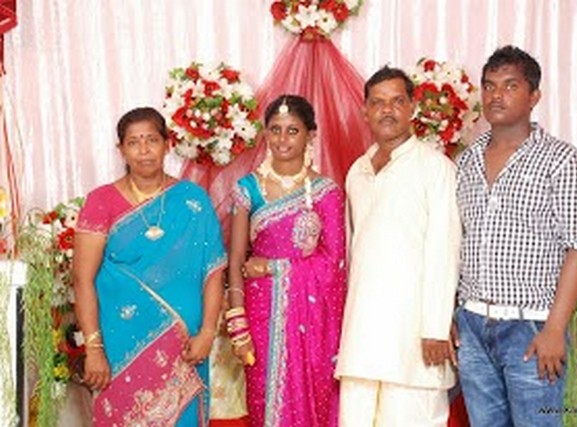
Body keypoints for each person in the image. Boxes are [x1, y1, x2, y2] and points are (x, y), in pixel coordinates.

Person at [454, 46, 577, 426]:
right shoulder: (465, 161)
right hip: (472, 326)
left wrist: (555, 329)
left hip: (531, 328)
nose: (496, 95)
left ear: (534, 96)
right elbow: (456, 241)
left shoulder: (563, 161)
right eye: (489, 86)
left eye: (510, 86)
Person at [73, 107, 226, 426]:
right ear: (121, 150)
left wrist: (208, 333)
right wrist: (94, 348)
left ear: (167, 145)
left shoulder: (192, 200)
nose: (143, 150)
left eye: (151, 140)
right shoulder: (101, 201)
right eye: (134, 142)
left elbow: (213, 271)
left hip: (185, 344)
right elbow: (82, 280)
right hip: (121, 345)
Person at [335, 66, 461, 426]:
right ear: (365, 111)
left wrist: (435, 327)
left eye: (396, 101)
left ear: (411, 108)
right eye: (377, 103)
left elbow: (445, 250)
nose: (386, 110)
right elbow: (353, 253)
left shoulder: (435, 168)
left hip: (414, 337)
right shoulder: (357, 171)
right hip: (362, 334)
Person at [226, 95, 347, 427]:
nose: (282, 139)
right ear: (265, 133)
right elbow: (236, 261)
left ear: (310, 135)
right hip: (260, 314)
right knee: (264, 399)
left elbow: (334, 263)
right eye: (275, 129)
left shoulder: (326, 192)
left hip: (314, 321)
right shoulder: (247, 189)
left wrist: (274, 268)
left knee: (314, 398)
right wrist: (238, 325)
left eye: (292, 130)